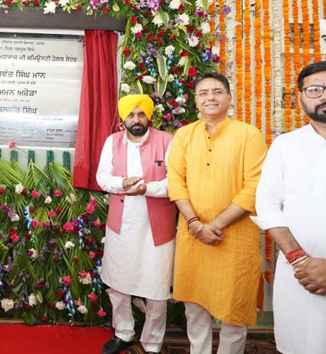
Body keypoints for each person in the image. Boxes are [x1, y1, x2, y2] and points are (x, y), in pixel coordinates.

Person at [168, 72, 268, 354]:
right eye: (203, 93)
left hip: (235, 239)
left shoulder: (249, 134)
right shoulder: (184, 135)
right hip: (193, 236)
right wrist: (195, 223)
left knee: (234, 311)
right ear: (195, 101)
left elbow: (254, 187)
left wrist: (215, 225)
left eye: (217, 92)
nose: (210, 97)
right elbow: (176, 182)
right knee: (194, 308)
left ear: (229, 98)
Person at [253, 61, 326, 354]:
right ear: (300, 97)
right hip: (299, 274)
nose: (324, 95)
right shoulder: (285, 145)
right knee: (298, 345)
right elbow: (266, 202)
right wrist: (300, 261)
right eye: (315, 89)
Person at [96, 94, 175, 354]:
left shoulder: (166, 141)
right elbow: (102, 177)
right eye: (131, 115)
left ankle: (152, 343)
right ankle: (123, 332)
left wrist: (146, 189)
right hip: (121, 227)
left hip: (157, 229)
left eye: (141, 114)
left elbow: (175, 182)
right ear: (123, 118)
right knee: (117, 285)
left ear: (149, 116)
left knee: (157, 289)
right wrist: (122, 183)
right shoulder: (112, 142)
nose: (136, 119)